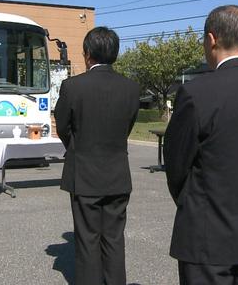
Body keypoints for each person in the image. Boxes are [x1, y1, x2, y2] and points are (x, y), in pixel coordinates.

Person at [164, 5, 238, 285]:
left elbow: (176, 163)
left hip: (206, 234)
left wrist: (190, 202)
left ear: (212, 38)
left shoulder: (196, 92)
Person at [54, 27, 140, 285]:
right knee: (114, 238)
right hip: (117, 173)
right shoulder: (131, 88)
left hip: (84, 173)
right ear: (115, 53)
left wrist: (78, 147)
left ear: (88, 53)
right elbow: (127, 127)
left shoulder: (72, 86)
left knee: (87, 238)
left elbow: (62, 127)